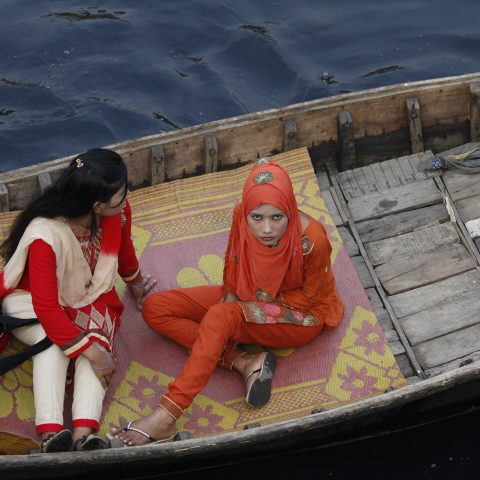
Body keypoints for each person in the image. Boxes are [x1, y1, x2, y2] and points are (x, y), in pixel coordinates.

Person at [110, 158, 344, 446]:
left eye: (277, 217)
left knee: (218, 319)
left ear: (291, 210)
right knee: (156, 308)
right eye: (257, 217)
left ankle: (166, 416)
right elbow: (233, 259)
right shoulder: (240, 215)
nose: (266, 229)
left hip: (302, 316)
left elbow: (313, 299)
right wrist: (234, 297)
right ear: (247, 211)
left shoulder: (312, 241)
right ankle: (244, 361)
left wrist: (247, 305)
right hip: (249, 294)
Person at [0, 148, 156, 452]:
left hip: (88, 295)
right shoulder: (46, 234)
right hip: (31, 303)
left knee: (97, 338)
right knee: (52, 343)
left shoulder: (118, 213)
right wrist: (93, 354)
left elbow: (123, 251)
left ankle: (83, 435)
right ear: (97, 206)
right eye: (120, 194)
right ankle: (50, 435)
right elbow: (46, 309)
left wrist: (135, 282)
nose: (126, 198)